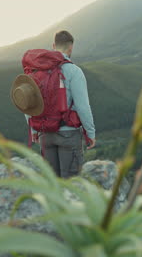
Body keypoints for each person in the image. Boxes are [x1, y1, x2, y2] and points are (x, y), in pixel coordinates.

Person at [29, 30, 96, 178]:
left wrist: (34, 130)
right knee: (71, 185)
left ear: (53, 45)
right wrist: (90, 133)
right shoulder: (73, 71)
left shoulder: (37, 71)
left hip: (45, 135)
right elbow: (82, 106)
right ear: (71, 48)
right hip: (68, 135)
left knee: (53, 184)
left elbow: (28, 103)